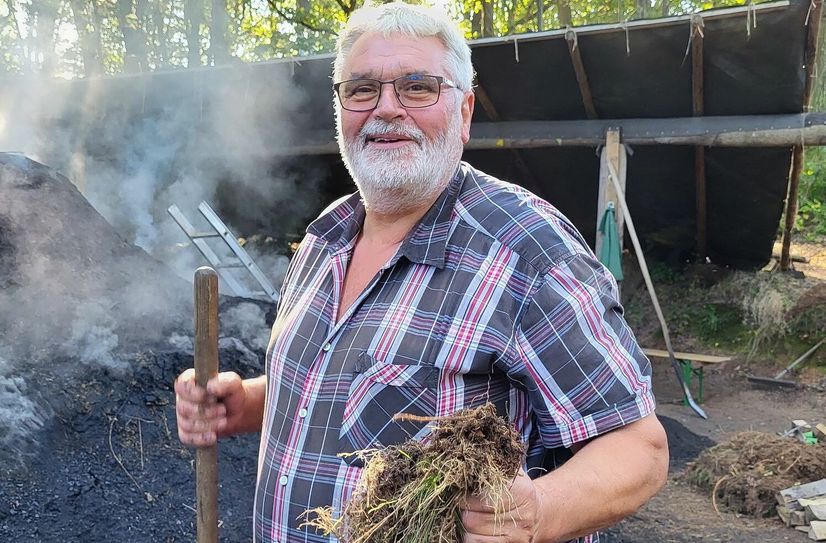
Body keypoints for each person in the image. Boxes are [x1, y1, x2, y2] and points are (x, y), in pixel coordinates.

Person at [174, 3, 669, 542]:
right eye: (362, 89)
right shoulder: (326, 237)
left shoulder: (528, 252)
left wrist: (539, 513)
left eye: (417, 87)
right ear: (340, 109)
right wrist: (246, 404)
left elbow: (640, 449)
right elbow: (337, 383)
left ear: (464, 111)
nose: (386, 108)